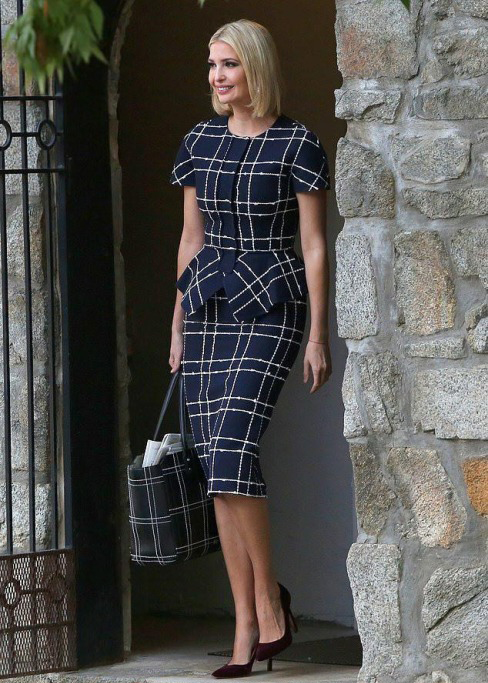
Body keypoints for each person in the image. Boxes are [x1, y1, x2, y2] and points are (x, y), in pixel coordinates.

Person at [168, 18, 332, 678]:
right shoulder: (198, 142)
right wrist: (176, 324)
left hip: (272, 307)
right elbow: (190, 240)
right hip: (207, 307)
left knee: (234, 447)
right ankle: (246, 621)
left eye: (229, 64)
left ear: (255, 67)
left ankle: (269, 601)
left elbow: (314, 246)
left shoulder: (297, 143)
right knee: (217, 466)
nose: (217, 76)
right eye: (212, 65)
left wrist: (319, 334)